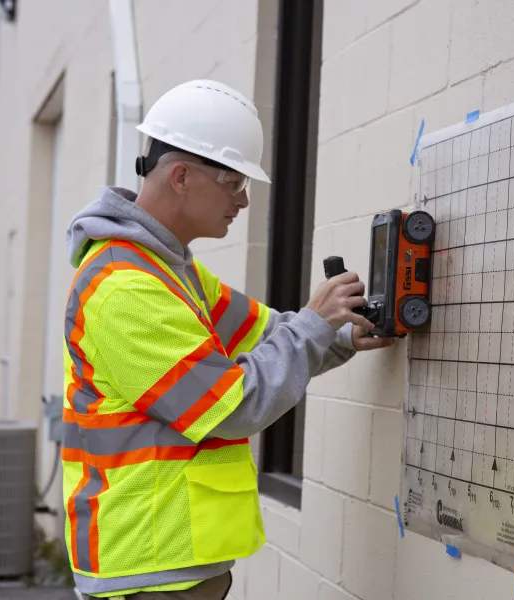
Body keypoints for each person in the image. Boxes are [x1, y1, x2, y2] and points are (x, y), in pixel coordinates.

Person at [61, 79, 395, 600]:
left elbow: (272, 335)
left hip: (173, 565)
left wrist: (344, 331)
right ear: (181, 177)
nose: (242, 199)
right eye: (234, 181)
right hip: (148, 568)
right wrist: (315, 325)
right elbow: (231, 407)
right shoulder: (126, 289)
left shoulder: (169, 271)